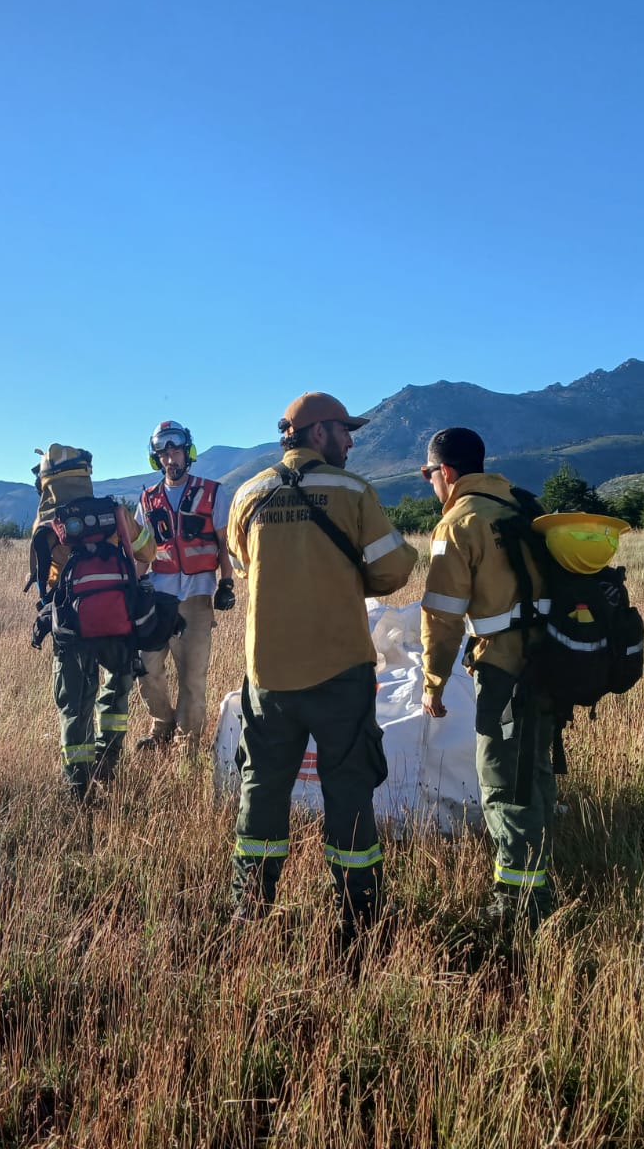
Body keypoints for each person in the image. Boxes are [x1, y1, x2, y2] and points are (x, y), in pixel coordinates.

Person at [227, 392, 418, 940]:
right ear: (316, 434)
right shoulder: (353, 490)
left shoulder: (248, 493)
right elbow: (392, 571)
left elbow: (242, 566)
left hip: (268, 673)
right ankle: (359, 915)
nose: (352, 440)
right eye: (344, 431)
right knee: (349, 786)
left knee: (261, 786)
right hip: (341, 668)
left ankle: (249, 907)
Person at [418, 427, 558, 928]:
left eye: (428, 474)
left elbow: (440, 615)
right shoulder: (523, 507)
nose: (429, 483)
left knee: (503, 780)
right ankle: (541, 872)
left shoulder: (459, 524)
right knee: (535, 768)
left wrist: (433, 682)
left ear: (447, 473)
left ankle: (519, 902)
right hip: (552, 663)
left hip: (504, 669)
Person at [28, 444, 156, 801]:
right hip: (119, 625)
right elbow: (149, 551)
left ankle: (78, 783)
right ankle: (109, 760)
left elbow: (43, 582)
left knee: (74, 706)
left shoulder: (46, 527)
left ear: (47, 481)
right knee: (115, 694)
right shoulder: (114, 512)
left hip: (71, 630)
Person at [134, 420, 236, 753]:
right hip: (158, 596)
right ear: (156, 459)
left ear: (187, 452)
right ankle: (161, 726)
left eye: (175, 451)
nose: (169, 459)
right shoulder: (147, 500)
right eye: (163, 454)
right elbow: (142, 552)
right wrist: (132, 586)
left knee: (193, 677)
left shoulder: (212, 493)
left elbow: (223, 544)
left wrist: (226, 583)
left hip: (197, 596)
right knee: (146, 666)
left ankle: (186, 743)